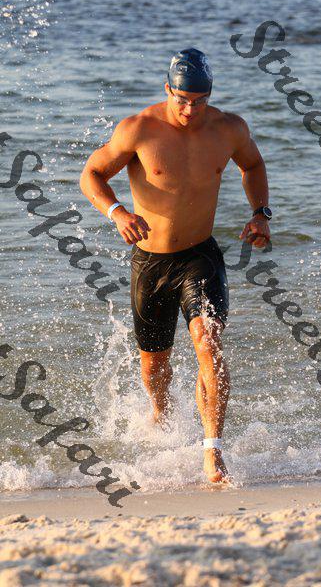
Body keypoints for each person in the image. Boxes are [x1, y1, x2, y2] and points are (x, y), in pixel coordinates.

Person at [80, 48, 271, 484]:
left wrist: (260, 213)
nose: (189, 110)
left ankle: (212, 449)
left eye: (200, 101)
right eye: (182, 99)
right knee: (154, 366)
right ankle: (160, 418)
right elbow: (91, 174)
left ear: (210, 95)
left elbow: (253, 164)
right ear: (168, 89)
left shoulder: (229, 129)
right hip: (150, 262)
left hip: (199, 256)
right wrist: (117, 213)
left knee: (208, 341)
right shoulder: (138, 129)